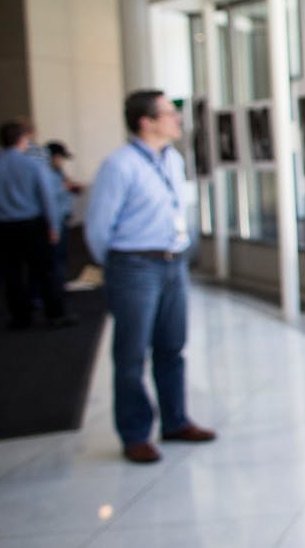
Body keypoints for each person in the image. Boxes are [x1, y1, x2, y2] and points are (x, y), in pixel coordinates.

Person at [85, 90, 215, 464]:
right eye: (169, 113)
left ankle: (175, 421)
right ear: (146, 121)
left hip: (173, 262)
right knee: (131, 353)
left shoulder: (172, 160)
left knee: (172, 347)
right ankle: (135, 433)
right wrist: (119, 266)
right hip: (135, 265)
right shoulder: (119, 165)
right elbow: (98, 229)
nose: (177, 119)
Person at [0, 121, 67, 329]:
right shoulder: (33, 165)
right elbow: (47, 198)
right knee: (45, 270)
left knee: (12, 273)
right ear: (23, 140)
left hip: (3, 227)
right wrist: (53, 226)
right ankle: (55, 314)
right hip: (31, 225)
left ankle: (20, 317)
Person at [45, 141, 83, 289]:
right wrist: (63, 188)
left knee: (61, 256)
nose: (62, 162)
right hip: (54, 220)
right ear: (54, 157)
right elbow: (47, 197)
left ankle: (58, 286)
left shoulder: (58, 172)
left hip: (62, 217)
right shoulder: (44, 174)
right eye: (61, 158)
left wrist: (71, 187)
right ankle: (54, 289)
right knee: (55, 257)